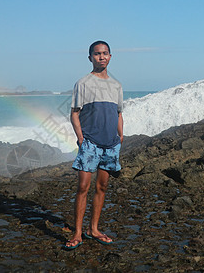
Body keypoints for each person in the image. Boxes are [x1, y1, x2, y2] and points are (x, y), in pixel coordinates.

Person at [65, 40, 123, 250]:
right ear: (90, 57)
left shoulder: (116, 85)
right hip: (90, 143)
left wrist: (121, 136)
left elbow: (118, 113)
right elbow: (74, 113)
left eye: (105, 53)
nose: (101, 57)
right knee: (83, 187)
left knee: (102, 186)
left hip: (111, 144)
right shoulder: (83, 83)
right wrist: (80, 138)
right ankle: (77, 233)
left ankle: (94, 229)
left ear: (110, 56)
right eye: (97, 54)